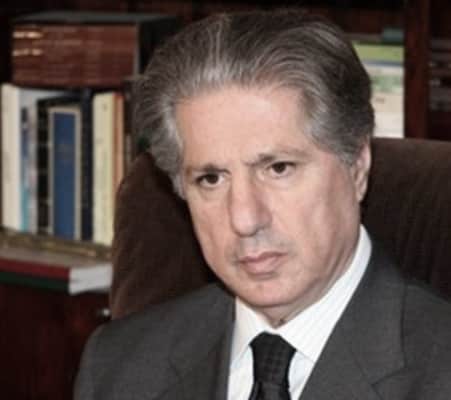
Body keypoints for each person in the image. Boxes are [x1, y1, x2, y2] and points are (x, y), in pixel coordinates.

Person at [75, 9, 451, 400]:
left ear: (357, 167)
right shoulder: (118, 366)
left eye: (278, 168)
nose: (245, 219)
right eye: (211, 179)